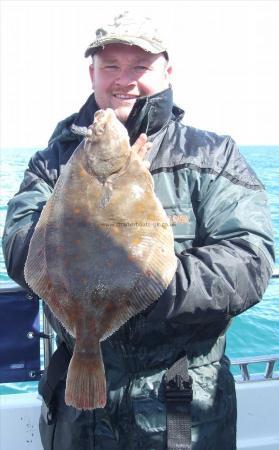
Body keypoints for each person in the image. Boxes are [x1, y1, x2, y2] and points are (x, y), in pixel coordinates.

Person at [2, 10, 274, 450]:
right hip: (79, 415)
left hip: (180, 405)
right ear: (91, 73)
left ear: (167, 71)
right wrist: (81, 254)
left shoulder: (212, 156)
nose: (123, 79)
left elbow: (250, 261)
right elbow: (17, 245)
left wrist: (145, 284)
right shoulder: (53, 161)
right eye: (110, 66)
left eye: (139, 66)